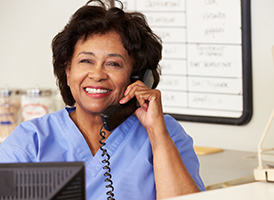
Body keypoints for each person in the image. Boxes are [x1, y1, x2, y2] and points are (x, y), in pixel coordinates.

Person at [0, 0, 205, 199]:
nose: (97, 74)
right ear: (68, 71)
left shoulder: (166, 133)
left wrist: (157, 134)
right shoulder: (31, 141)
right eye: (86, 61)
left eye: (113, 64)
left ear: (137, 77)